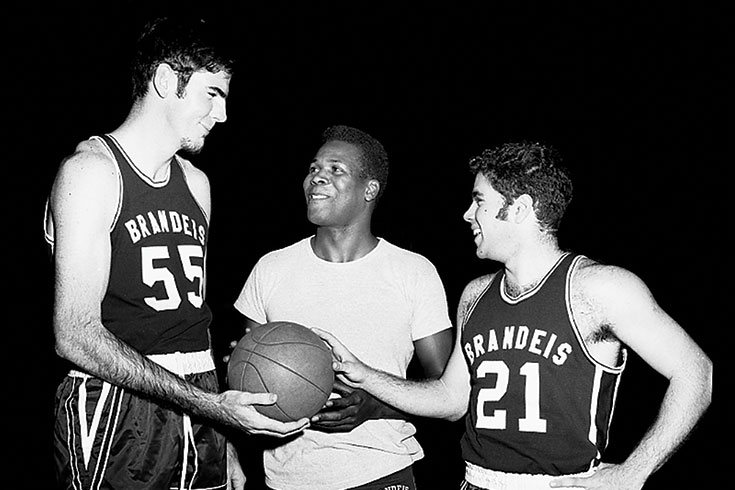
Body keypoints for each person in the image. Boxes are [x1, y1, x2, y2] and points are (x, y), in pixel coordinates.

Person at [316, 141, 713, 490]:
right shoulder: (475, 294)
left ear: (519, 209)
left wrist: (632, 474)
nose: (468, 215)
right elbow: (452, 399)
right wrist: (365, 373)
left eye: (480, 202)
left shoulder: (601, 288)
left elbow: (697, 372)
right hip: (474, 481)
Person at [44, 16, 308, 490]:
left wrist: (223, 438)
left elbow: (194, 321)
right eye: (213, 94)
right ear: (166, 80)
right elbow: (74, 335)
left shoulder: (196, 184)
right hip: (117, 407)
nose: (223, 115)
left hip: (200, 405)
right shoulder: (91, 174)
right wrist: (210, 406)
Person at [233, 125, 454, 490]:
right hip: (286, 478)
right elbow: (248, 382)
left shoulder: (413, 272)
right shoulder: (271, 268)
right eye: (314, 168)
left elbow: (446, 393)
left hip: (380, 472)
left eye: (336, 169)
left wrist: (376, 407)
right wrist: (242, 366)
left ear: (370, 189)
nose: (317, 176)